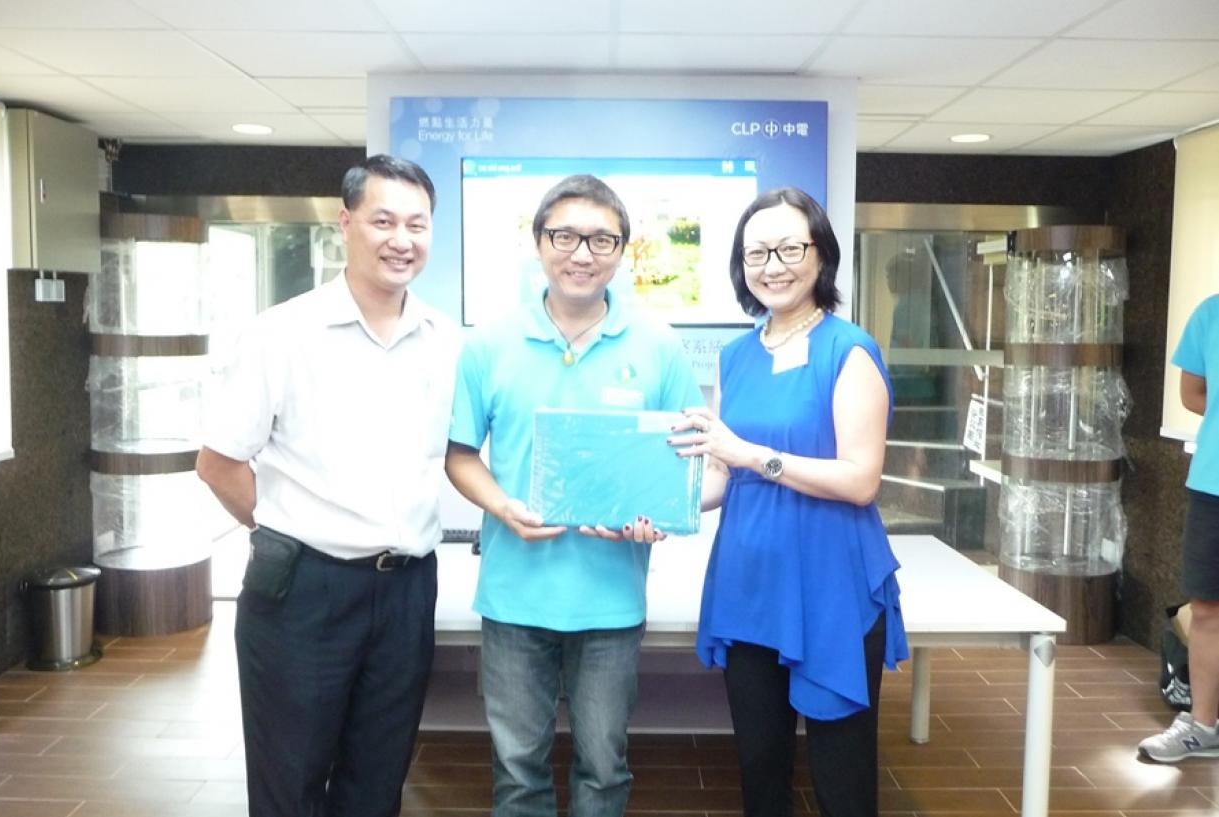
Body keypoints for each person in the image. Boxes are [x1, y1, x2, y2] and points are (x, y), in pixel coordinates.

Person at [195, 155, 458, 817]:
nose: (402, 239)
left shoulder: (446, 341)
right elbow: (218, 462)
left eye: (417, 224)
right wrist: (287, 530)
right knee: (291, 784)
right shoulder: (282, 332)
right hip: (303, 592)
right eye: (383, 221)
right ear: (345, 224)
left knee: (378, 783)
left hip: (406, 592)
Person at [445, 174, 703, 817]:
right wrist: (501, 506)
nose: (582, 254)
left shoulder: (659, 345)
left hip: (611, 600)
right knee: (516, 772)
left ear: (622, 251)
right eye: (565, 236)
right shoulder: (489, 343)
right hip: (513, 595)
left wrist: (656, 515)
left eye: (601, 239)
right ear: (539, 242)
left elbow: (691, 460)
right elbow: (460, 455)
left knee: (604, 770)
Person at [670, 187, 909, 817]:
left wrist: (755, 457)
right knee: (759, 763)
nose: (771, 266)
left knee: (842, 771)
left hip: (831, 581)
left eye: (788, 249)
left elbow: (861, 479)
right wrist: (656, 504)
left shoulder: (848, 349)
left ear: (820, 254)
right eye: (756, 253)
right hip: (749, 579)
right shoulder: (735, 357)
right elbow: (720, 475)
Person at [1139, 292, 1219, 763]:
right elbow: (1193, 395)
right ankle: (1203, 725)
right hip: (1212, 481)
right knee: (1206, 608)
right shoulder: (1210, 313)